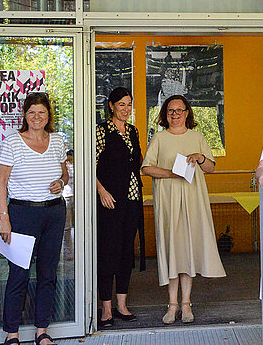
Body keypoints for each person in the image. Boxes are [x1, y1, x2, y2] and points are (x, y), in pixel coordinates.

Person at [141, 94, 226, 324]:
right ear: (164, 114)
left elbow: (211, 168)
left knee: (187, 250)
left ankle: (186, 304)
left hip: (192, 200)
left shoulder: (197, 136)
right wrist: (171, 173)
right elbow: (146, 168)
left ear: (187, 113)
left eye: (179, 110)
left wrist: (199, 158)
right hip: (168, 201)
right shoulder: (158, 138)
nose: (175, 114)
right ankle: (172, 305)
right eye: (170, 111)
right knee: (172, 249)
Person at [0, 92, 68, 345]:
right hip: (22, 213)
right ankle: (12, 334)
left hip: (54, 212)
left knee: (48, 273)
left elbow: (64, 175)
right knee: (19, 274)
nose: (37, 117)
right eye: (32, 112)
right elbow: (1, 183)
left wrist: (61, 182)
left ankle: (42, 331)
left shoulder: (58, 140)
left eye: (42, 112)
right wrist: (4, 218)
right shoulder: (13, 142)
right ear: (25, 115)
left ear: (49, 116)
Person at [96, 87, 145, 327]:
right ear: (112, 106)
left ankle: (122, 305)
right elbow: (89, 165)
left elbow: (139, 163)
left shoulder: (134, 131)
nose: (126, 109)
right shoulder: (102, 131)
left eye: (129, 104)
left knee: (126, 252)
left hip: (132, 199)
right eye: (121, 104)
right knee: (108, 252)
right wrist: (101, 191)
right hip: (110, 201)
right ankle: (105, 308)